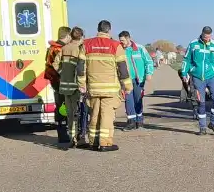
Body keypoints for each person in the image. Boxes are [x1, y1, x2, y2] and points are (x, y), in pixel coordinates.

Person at [78, 20, 132, 152]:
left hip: (93, 88)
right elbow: (123, 69)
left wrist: (81, 85)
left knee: (95, 114)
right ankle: (105, 143)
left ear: (98, 29)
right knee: (107, 115)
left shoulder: (86, 44)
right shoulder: (115, 46)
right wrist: (128, 86)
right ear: (109, 30)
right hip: (110, 89)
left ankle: (93, 141)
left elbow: (80, 67)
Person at [180, 26, 214, 135]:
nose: (207, 39)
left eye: (209, 37)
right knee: (201, 102)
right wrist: (184, 73)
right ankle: (202, 127)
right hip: (198, 77)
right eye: (205, 37)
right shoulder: (194, 44)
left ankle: (213, 122)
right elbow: (187, 59)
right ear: (202, 34)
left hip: (212, 76)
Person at [118, 31, 155, 130]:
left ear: (128, 38)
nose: (121, 42)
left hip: (139, 80)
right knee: (128, 100)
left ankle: (139, 119)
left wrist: (149, 73)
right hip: (126, 80)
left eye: (122, 40)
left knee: (137, 99)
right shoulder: (120, 49)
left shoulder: (140, 48)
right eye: (120, 41)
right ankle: (131, 121)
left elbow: (148, 61)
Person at [56, 27, 86, 149]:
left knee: (69, 113)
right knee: (78, 113)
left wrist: (63, 74)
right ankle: (78, 138)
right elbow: (81, 68)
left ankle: (71, 136)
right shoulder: (80, 49)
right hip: (76, 86)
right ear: (81, 37)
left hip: (65, 86)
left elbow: (55, 64)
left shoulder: (64, 48)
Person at [46, 26, 73, 144]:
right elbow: (60, 66)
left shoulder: (52, 47)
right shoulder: (58, 49)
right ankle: (63, 134)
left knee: (61, 106)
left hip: (55, 81)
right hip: (60, 81)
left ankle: (63, 133)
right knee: (63, 107)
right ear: (67, 36)